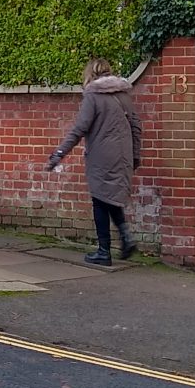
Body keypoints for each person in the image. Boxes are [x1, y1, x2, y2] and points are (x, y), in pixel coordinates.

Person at [47, 56, 142, 266]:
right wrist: (135, 155)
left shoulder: (93, 95)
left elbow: (80, 128)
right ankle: (126, 238)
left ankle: (103, 251)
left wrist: (59, 153)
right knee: (111, 198)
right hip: (123, 154)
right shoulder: (124, 94)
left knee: (100, 199)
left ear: (91, 73)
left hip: (102, 155)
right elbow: (135, 125)